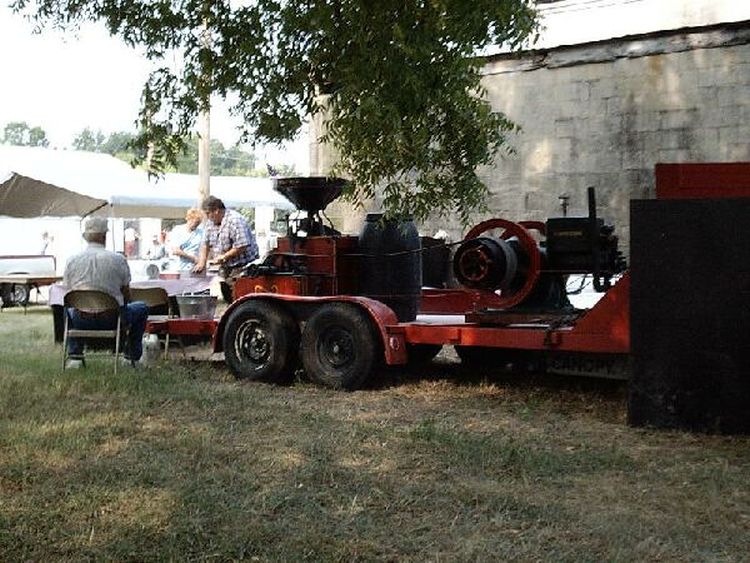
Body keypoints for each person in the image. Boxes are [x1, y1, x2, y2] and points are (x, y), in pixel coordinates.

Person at [63, 217, 149, 368]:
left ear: (86, 237)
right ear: (104, 236)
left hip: (81, 320)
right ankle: (131, 356)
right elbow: (126, 295)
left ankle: (75, 355)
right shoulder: (118, 259)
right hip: (112, 319)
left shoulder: (71, 261)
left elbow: (69, 292)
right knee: (141, 307)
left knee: (67, 309)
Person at [194, 196, 258, 276]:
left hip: (244, 268)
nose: (207, 216)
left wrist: (224, 256)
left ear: (216, 211)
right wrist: (202, 263)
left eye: (208, 213)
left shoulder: (235, 220)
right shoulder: (210, 223)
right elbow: (205, 244)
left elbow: (242, 245)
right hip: (225, 268)